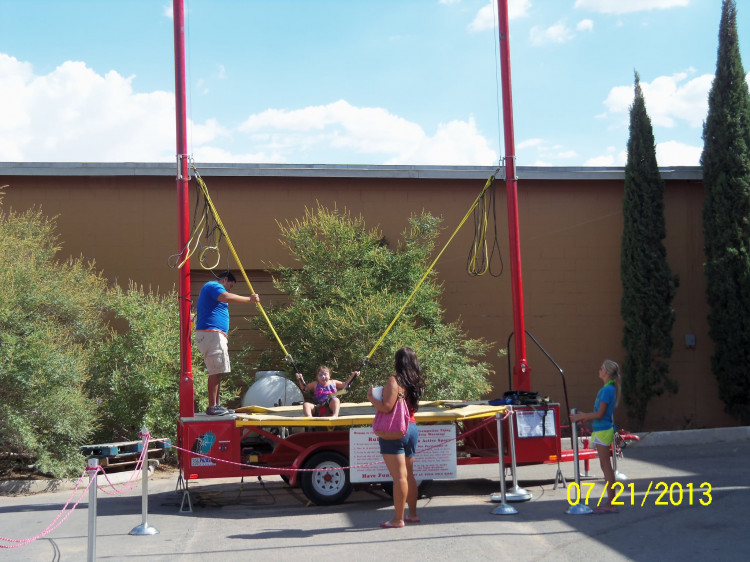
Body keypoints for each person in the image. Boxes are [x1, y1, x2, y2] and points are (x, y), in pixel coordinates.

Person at [367, 347, 425, 528]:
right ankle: (413, 514)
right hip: (412, 427)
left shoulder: (395, 381)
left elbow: (386, 407)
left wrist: (371, 397)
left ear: (397, 361)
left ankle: (398, 519)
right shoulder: (416, 381)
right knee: (409, 476)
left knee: (399, 477)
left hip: (395, 431)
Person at [194, 271, 260, 416]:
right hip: (212, 334)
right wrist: (249, 299)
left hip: (214, 335)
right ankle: (213, 406)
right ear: (224, 280)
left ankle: (216, 405)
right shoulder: (213, 285)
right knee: (215, 370)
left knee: (218, 370)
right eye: (229, 286)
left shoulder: (212, 291)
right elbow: (225, 297)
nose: (229, 290)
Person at [570, 359, 622, 514]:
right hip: (602, 428)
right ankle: (610, 501)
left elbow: (600, 413)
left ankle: (611, 503)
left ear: (606, 372)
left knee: (606, 467)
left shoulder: (607, 390)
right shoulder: (609, 388)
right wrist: (585, 416)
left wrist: (582, 416)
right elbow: (600, 413)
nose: (599, 370)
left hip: (603, 429)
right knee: (605, 466)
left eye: (601, 368)